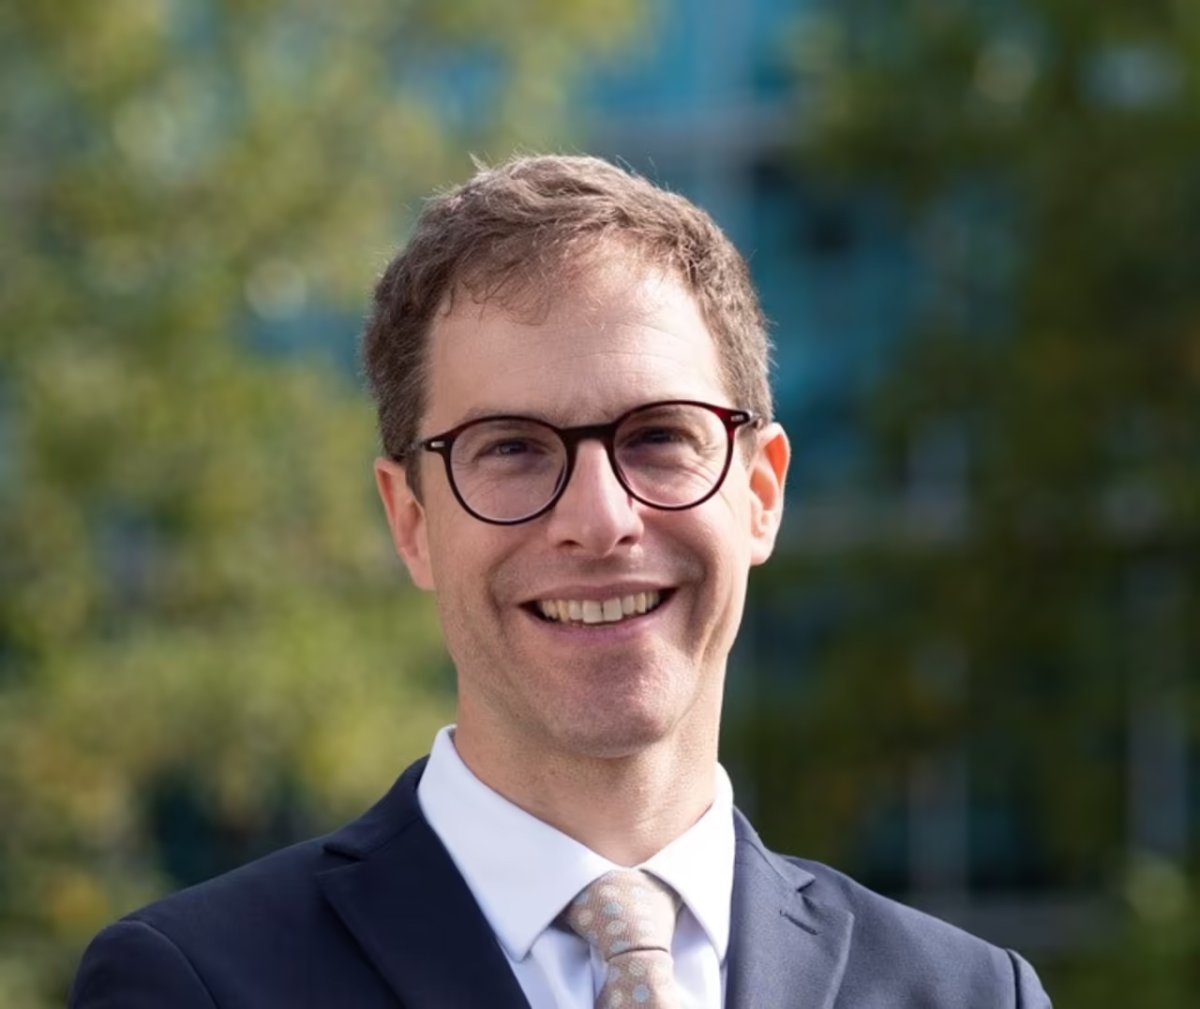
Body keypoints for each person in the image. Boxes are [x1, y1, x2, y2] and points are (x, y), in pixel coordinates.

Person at [70, 155, 1051, 1008]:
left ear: (761, 494)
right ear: (411, 520)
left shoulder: (971, 995)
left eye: (658, 436)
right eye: (512, 447)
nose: (599, 517)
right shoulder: (196, 986)